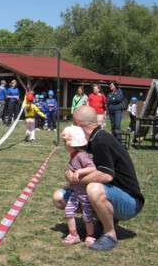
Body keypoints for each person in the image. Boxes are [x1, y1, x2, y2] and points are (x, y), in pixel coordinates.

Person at [52, 106, 145, 251]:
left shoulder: (101, 141)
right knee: (59, 197)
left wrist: (75, 180)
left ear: (77, 123)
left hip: (130, 202)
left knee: (93, 188)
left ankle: (110, 234)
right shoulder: (91, 140)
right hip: (111, 194)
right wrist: (69, 174)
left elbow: (106, 175)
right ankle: (104, 219)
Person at [60, 126, 97, 247]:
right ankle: (73, 234)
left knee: (87, 216)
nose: (63, 144)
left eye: (64, 142)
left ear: (70, 144)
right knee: (68, 212)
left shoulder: (81, 156)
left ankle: (90, 236)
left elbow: (92, 168)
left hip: (85, 194)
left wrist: (79, 172)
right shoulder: (74, 155)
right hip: (75, 193)